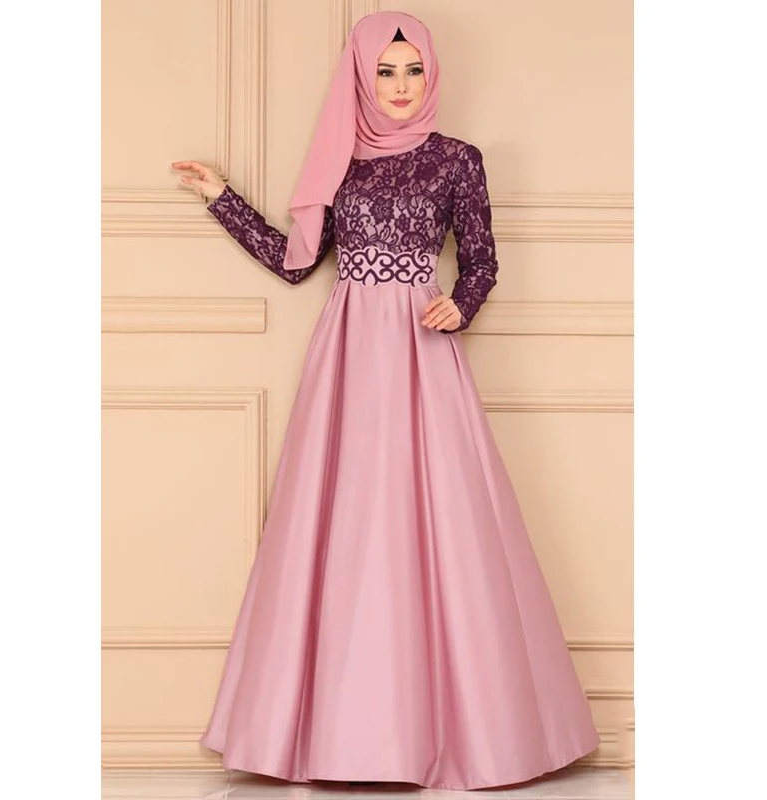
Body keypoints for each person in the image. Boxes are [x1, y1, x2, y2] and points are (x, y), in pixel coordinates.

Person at [171, 9, 600, 792]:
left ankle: (476, 733)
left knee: (444, 519)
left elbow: (482, 260)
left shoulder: (457, 160)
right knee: (343, 518)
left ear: (429, 75)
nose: (401, 86)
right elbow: (296, 263)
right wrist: (221, 196)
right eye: (384, 72)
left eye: (412, 71)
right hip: (347, 356)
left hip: (420, 350)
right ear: (361, 79)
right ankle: (342, 735)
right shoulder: (341, 159)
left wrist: (460, 306)